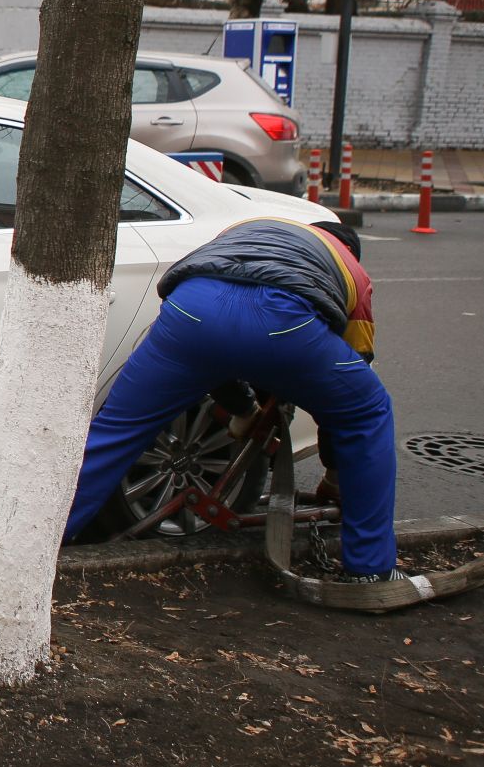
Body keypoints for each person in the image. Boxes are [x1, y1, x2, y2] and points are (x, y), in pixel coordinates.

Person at [64, 217, 401, 582]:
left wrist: (244, 409)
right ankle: (370, 569)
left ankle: (42, 541)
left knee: (116, 431)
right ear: (350, 250)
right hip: (282, 322)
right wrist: (336, 477)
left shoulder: (248, 226)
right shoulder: (353, 271)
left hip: (191, 309)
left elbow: (216, 347)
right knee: (368, 412)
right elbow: (345, 402)